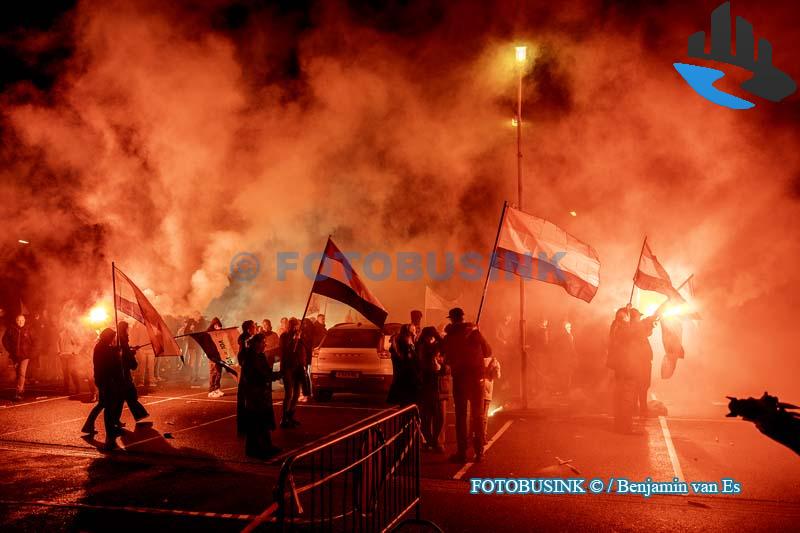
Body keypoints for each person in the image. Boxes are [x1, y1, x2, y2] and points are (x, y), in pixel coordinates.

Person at [441, 308, 491, 464]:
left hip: (461, 379)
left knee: (461, 416)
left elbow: (446, 357)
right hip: (477, 379)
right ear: (463, 318)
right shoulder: (474, 332)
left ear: (452, 319)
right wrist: (479, 333)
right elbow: (488, 352)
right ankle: (479, 453)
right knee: (478, 416)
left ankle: (461, 452)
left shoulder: (450, 336)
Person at [240, 332, 281, 458]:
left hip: (262, 393)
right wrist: (273, 376)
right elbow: (258, 375)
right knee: (255, 422)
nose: (265, 344)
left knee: (264, 421)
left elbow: (266, 372)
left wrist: (278, 374)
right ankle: (254, 449)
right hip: (254, 395)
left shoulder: (260, 356)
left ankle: (267, 446)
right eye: (263, 342)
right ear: (256, 343)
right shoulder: (250, 357)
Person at [85, 328, 125, 450]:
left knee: (102, 404)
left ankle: (88, 425)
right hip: (106, 380)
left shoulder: (101, 346)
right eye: (113, 337)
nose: (114, 339)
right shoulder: (104, 348)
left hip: (102, 379)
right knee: (108, 407)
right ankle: (110, 434)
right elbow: (111, 364)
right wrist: (118, 354)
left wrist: (116, 351)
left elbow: (109, 353)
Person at [417, 326, 448, 452]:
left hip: (440, 387)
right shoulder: (420, 349)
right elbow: (417, 366)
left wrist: (441, 368)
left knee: (440, 417)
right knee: (426, 417)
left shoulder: (442, 348)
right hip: (426, 387)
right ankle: (429, 441)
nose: (429, 340)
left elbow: (449, 366)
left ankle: (438, 442)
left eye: (432, 337)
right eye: (427, 338)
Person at [118, 321, 149, 423]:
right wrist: (132, 356)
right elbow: (125, 354)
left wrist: (132, 349)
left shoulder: (120, 338)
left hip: (122, 371)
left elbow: (125, 351)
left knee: (125, 396)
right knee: (130, 394)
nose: (129, 330)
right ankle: (139, 414)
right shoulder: (122, 339)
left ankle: (139, 414)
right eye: (127, 328)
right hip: (123, 372)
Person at [279, 318, 306, 428]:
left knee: (296, 393)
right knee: (289, 393)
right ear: (292, 326)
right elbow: (285, 350)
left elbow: (302, 350)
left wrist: (303, 363)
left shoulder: (299, 336)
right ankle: (284, 418)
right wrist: (293, 340)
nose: (298, 327)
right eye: (296, 325)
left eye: (298, 325)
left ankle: (291, 416)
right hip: (288, 367)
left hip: (298, 367)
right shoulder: (284, 336)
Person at [387, 323, 419, 406]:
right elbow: (409, 359)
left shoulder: (407, 341)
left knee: (406, 402)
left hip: (405, 376)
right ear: (409, 331)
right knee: (407, 401)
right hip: (407, 376)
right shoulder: (406, 343)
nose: (415, 330)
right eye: (413, 329)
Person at [3, 314, 32, 401]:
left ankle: (18, 393)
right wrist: (10, 349)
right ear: (16, 321)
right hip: (15, 356)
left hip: (25, 356)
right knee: (17, 374)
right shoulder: (11, 329)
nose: (21, 322)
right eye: (19, 320)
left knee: (21, 372)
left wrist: (31, 352)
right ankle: (21, 389)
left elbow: (36, 341)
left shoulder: (29, 329)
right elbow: (4, 340)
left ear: (25, 320)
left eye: (22, 320)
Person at [237, 320, 257, 436]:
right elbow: (242, 356)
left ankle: (244, 426)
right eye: (253, 327)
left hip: (248, 372)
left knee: (246, 401)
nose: (255, 328)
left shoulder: (248, 338)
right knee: (245, 400)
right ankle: (243, 427)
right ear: (249, 329)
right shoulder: (245, 340)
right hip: (247, 374)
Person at [479, 352, 502, 446]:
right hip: (484, 391)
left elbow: (496, 376)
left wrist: (494, 367)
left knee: (479, 416)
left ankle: (480, 436)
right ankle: (481, 436)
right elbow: (497, 376)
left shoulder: (493, 361)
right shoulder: (492, 361)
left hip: (483, 391)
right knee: (483, 417)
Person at [57, 325, 83, 395]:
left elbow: (80, 344)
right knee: (65, 373)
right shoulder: (61, 334)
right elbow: (57, 343)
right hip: (63, 355)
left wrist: (75, 352)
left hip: (71, 356)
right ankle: (66, 390)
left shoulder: (74, 334)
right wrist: (59, 352)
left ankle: (78, 389)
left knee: (73, 372)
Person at [207, 317, 225, 398]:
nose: (218, 326)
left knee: (219, 372)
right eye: (216, 325)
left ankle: (217, 388)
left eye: (218, 325)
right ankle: (211, 390)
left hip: (219, 355)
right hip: (212, 356)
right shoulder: (209, 333)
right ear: (213, 325)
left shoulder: (220, 333)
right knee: (213, 372)